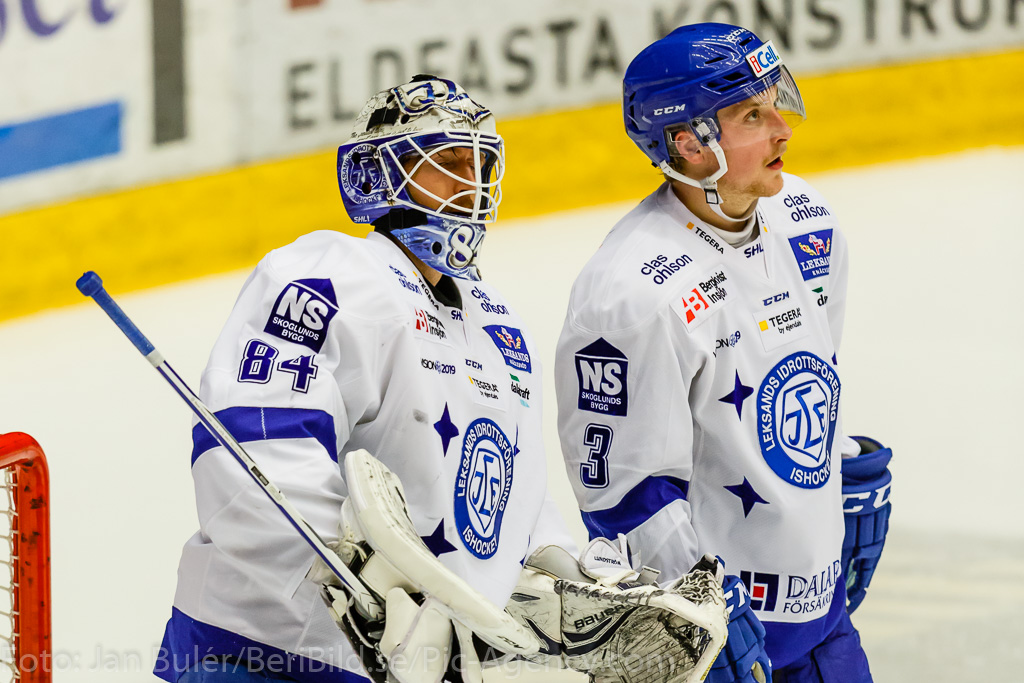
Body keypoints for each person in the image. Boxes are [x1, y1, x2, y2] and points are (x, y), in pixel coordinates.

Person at [153, 76, 726, 683]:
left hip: (418, 669)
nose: (472, 186)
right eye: (447, 163)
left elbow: (514, 505)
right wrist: (365, 586)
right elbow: (254, 447)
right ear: (376, 177)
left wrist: (570, 582)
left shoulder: (495, 323)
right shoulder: (333, 272)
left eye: (481, 166)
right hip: (266, 657)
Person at [555, 24, 892, 683]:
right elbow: (624, 489)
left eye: (774, 104)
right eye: (752, 115)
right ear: (689, 144)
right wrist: (699, 612)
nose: (782, 130)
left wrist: (840, 462)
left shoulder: (808, 222)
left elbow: (810, 373)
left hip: (826, 628)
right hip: (716, 649)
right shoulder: (631, 291)